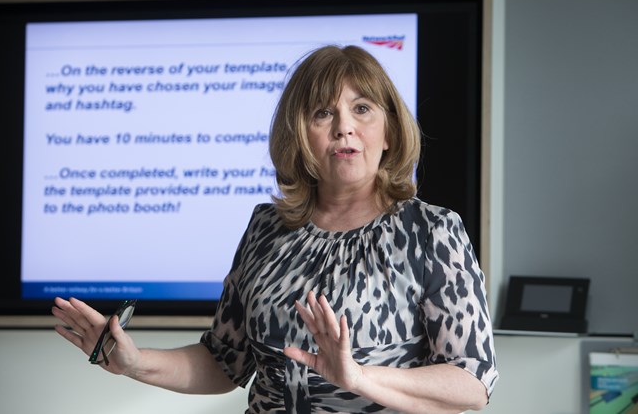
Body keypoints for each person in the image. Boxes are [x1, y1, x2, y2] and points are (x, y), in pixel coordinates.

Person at [52, 44, 498, 413]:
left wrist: (359, 377)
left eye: (362, 109)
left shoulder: (433, 231)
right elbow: (224, 363)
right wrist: (134, 362)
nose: (344, 127)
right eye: (323, 113)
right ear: (300, 136)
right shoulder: (266, 227)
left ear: (390, 133)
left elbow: (471, 384)